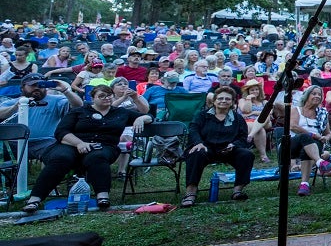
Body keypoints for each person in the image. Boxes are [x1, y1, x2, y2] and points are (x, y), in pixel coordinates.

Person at [22, 84, 153, 214]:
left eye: (109, 95)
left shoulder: (120, 112)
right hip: (71, 144)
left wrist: (141, 118)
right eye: (101, 96)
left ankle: (102, 196)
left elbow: (149, 115)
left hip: (104, 146)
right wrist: (79, 143)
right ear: (92, 98)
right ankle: (35, 199)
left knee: (98, 157)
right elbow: (61, 132)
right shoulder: (79, 111)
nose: (106, 98)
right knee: (60, 158)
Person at [180, 86, 254, 207]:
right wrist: (198, 143)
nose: (223, 101)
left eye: (227, 99)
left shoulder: (238, 118)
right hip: (205, 147)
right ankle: (191, 193)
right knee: (196, 153)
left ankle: (237, 190)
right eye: (220, 98)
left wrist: (233, 145)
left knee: (247, 155)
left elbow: (242, 138)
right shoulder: (202, 115)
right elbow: (193, 130)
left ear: (232, 102)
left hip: (228, 149)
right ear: (214, 101)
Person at [0, 73, 85, 160]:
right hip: (13, 143)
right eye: (32, 85)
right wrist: (17, 106)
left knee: (57, 156)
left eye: (40, 85)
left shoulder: (57, 100)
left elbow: (78, 105)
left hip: (45, 142)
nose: (37, 87)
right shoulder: (12, 102)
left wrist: (66, 91)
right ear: (22, 88)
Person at [288, 85, 331, 197]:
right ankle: (320, 162)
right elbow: (293, 126)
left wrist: (325, 138)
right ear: (307, 95)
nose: (317, 96)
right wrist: (314, 135)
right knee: (305, 137)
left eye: (319, 94)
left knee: (308, 148)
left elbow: (328, 133)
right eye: (314, 93)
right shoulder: (296, 110)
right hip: (292, 145)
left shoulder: (322, 113)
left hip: (311, 147)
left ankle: (304, 185)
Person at [238, 78, 273, 163]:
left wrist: (253, 113)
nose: (255, 91)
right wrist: (249, 99)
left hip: (266, 122)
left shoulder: (264, 101)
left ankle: (251, 135)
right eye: (252, 90)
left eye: (257, 89)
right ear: (248, 91)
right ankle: (263, 155)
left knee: (264, 116)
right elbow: (245, 110)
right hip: (249, 122)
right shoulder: (242, 100)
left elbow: (270, 113)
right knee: (259, 129)